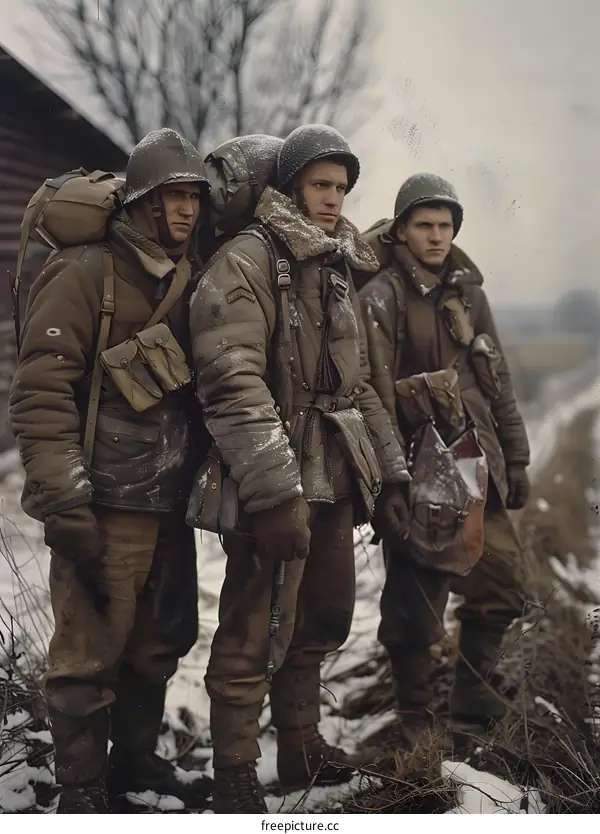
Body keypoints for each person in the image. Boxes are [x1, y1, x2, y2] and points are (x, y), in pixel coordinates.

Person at [189, 124, 410, 812]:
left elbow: (361, 384)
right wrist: (275, 495)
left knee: (324, 615)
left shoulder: (337, 264)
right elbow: (231, 382)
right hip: (274, 474)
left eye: (342, 188)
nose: (333, 199)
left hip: (337, 473)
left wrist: (392, 473)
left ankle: (300, 746)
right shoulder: (247, 260)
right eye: (321, 184)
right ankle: (232, 770)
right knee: (254, 628)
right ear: (290, 187)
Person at [9, 128, 212, 813]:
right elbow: (41, 390)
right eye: (171, 197)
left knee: (159, 642)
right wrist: (64, 501)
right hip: (102, 500)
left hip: (169, 497)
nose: (185, 211)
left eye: (193, 198)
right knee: (88, 655)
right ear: (143, 203)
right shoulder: (85, 271)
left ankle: (135, 765)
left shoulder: (191, 273)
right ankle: (83, 791)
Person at [359, 173, 531, 740]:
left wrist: (518, 457)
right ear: (402, 230)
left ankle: (472, 693)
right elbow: (375, 394)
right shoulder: (381, 296)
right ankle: (416, 719)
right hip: (418, 463)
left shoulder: (468, 294)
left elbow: (496, 381)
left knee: (504, 582)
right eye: (424, 225)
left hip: (477, 461)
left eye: (445, 225)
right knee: (415, 602)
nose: (436, 235)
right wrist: (392, 481)